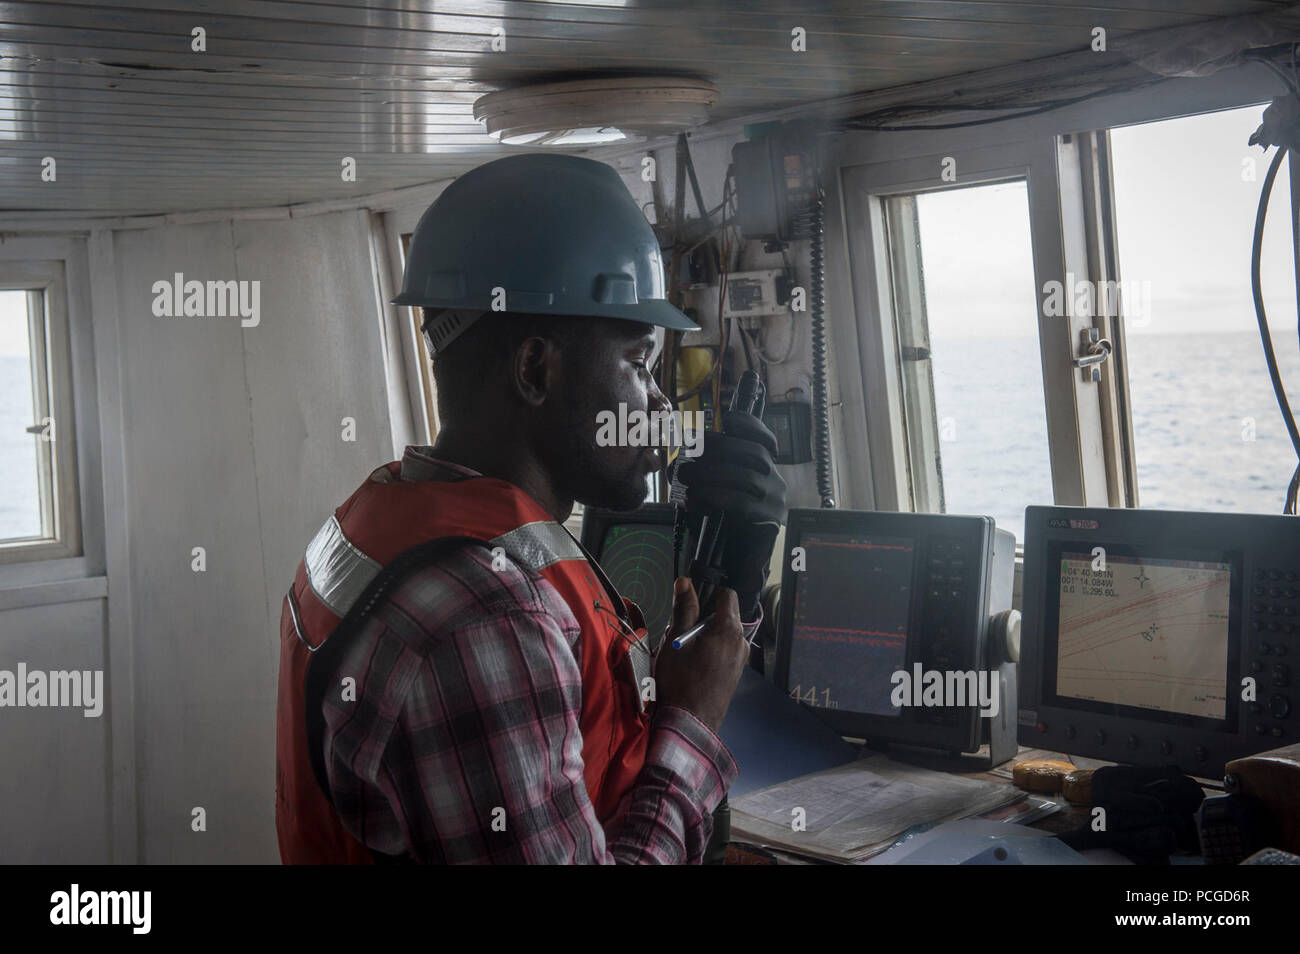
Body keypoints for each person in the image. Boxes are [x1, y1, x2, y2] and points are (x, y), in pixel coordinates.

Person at [274, 153, 786, 864]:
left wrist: (739, 566)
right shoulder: (484, 618)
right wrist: (692, 724)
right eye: (640, 365)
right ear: (536, 368)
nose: (660, 405)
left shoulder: (378, 518)